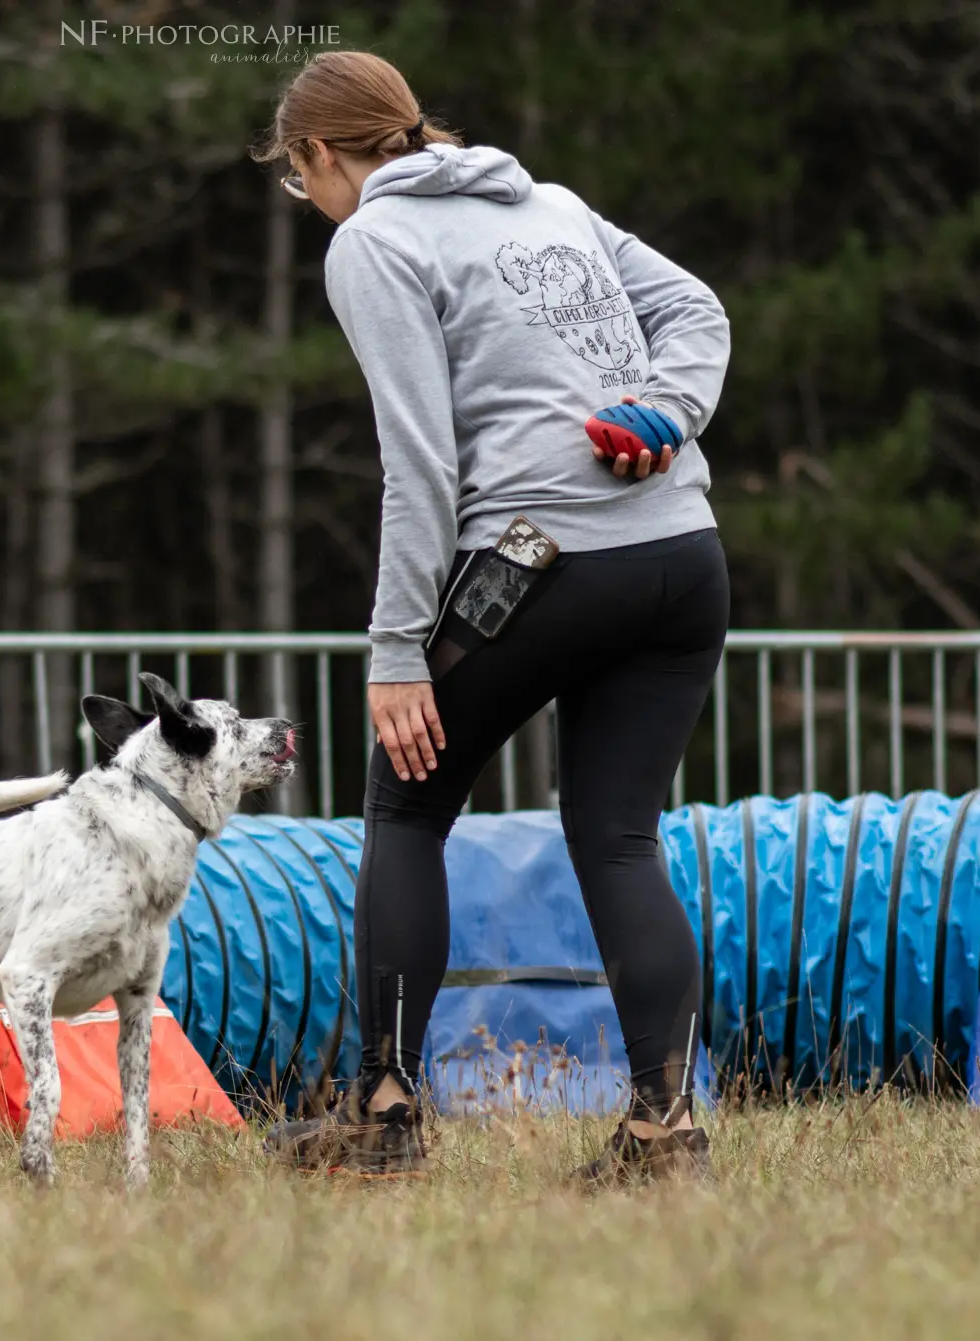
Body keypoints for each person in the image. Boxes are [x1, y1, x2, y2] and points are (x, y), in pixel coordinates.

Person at [256, 51, 731, 1184]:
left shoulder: (371, 239)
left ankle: (381, 1113)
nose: (306, 198)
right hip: (678, 554)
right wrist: (664, 410)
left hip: (537, 564)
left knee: (406, 807)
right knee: (617, 837)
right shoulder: (551, 204)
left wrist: (392, 650)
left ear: (321, 154)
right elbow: (695, 308)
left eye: (297, 176)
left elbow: (417, 463)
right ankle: (662, 1132)